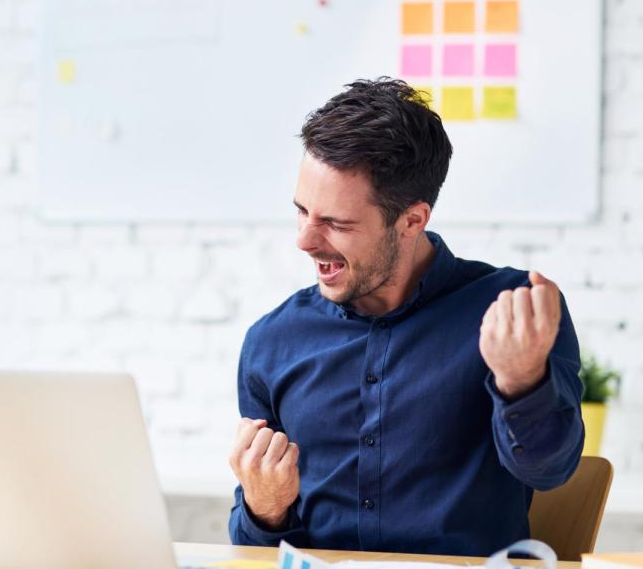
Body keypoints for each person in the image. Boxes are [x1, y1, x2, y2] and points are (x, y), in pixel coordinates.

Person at [227, 78, 583, 556]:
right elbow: (253, 550)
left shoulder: (512, 311)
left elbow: (550, 471)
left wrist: (522, 381)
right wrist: (263, 508)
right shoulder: (273, 342)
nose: (306, 240)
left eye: (335, 222)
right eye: (302, 212)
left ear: (412, 220)